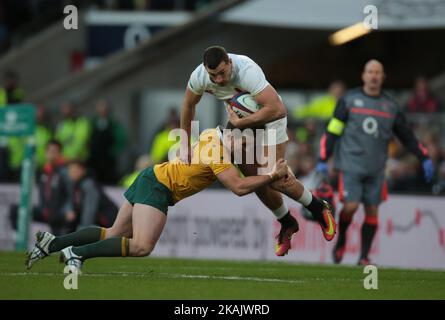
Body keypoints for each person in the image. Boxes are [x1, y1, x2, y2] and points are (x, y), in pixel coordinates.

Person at [25, 126, 332, 271]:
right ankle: (79, 255)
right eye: (245, 140)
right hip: (158, 186)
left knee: (114, 234)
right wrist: (271, 176)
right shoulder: (217, 151)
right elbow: (238, 187)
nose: (246, 147)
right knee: (142, 246)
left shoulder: (214, 134)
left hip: (152, 176)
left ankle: (51, 243)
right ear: (236, 136)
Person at [181, 46, 335, 256]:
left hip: (270, 118)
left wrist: (239, 122)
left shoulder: (247, 71)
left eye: (222, 74)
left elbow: (278, 109)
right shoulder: (199, 76)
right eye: (213, 75)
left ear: (230, 64)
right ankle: (287, 222)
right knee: (257, 180)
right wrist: (183, 143)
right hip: (241, 120)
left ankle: (318, 208)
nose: (217, 80)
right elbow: (188, 104)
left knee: (275, 177)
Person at [316, 59, 435, 265]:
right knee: (351, 207)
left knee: (372, 211)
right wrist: (323, 158)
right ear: (363, 76)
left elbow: (407, 136)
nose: (373, 76)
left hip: (377, 168)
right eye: (370, 72)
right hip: (351, 165)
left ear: (383, 77)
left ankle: (363, 257)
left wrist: (424, 157)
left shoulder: (390, 106)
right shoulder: (348, 100)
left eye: (377, 72)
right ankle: (342, 240)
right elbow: (332, 131)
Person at [9, 140, 71, 236]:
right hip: (44, 211)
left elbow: (71, 194)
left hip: (58, 214)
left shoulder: (65, 172)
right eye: (49, 151)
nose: (51, 154)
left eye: (54, 152)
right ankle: (17, 237)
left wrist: (67, 210)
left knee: (59, 241)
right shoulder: (44, 171)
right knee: (15, 210)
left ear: (59, 154)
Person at [65, 160, 119, 231]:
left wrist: (83, 229)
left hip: (107, 222)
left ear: (83, 170)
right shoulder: (77, 185)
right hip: (99, 223)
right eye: (70, 171)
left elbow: (90, 209)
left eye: (74, 170)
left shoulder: (88, 185)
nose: (71, 174)